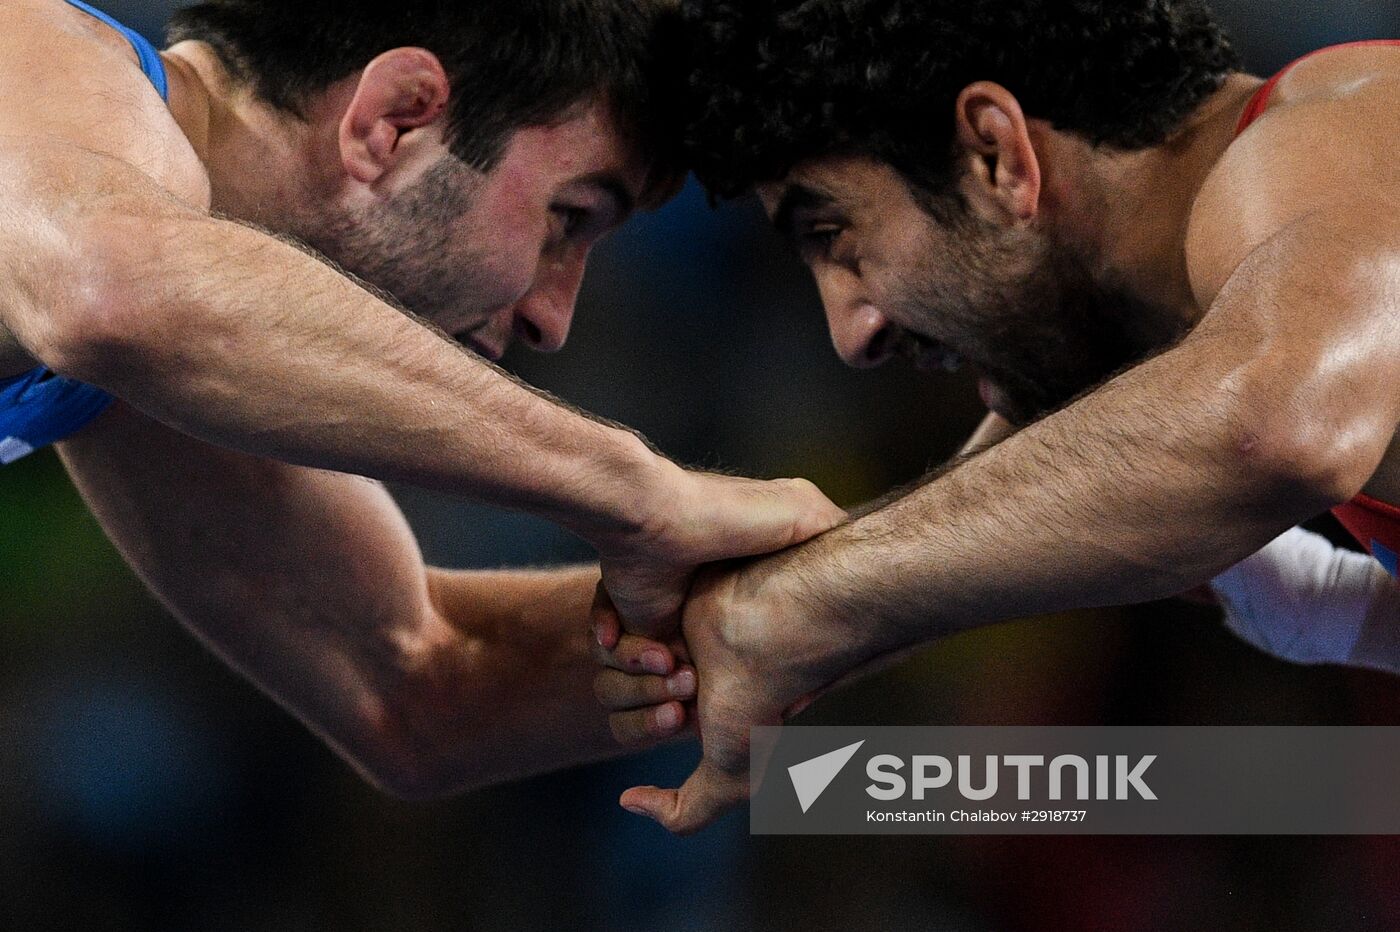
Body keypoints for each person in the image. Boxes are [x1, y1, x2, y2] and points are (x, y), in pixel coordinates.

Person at [592, 0, 1400, 833]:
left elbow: (1275, 428)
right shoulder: (1275, 289)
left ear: (995, 156)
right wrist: (767, 612)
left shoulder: (1325, 137)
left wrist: (798, 605)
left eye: (834, 234)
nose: (850, 331)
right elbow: (1106, 448)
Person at [1, 0, 844, 796]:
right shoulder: (34, 46)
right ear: (395, 119)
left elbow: (421, 685)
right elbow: (113, 291)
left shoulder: (168, 326)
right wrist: (637, 491)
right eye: (568, 219)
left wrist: (861, 591)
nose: (553, 318)